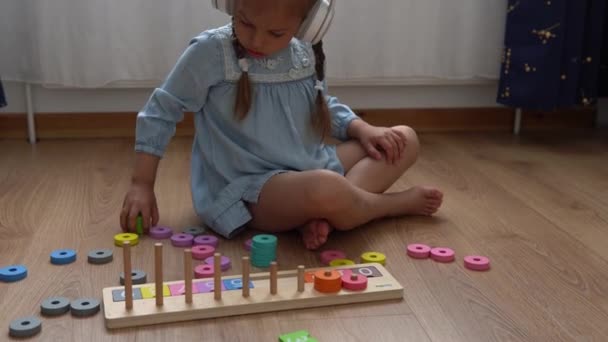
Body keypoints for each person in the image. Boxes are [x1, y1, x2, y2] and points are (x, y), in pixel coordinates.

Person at [120, 0, 443, 250]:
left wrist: (361, 128)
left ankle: (327, 214)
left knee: (403, 139)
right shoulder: (209, 52)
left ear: (307, 25)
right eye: (245, 22)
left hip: (309, 168)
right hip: (250, 189)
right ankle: (386, 207)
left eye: (276, 33)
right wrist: (141, 183)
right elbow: (161, 111)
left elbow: (319, 104)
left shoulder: (304, 50)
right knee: (325, 187)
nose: (256, 39)